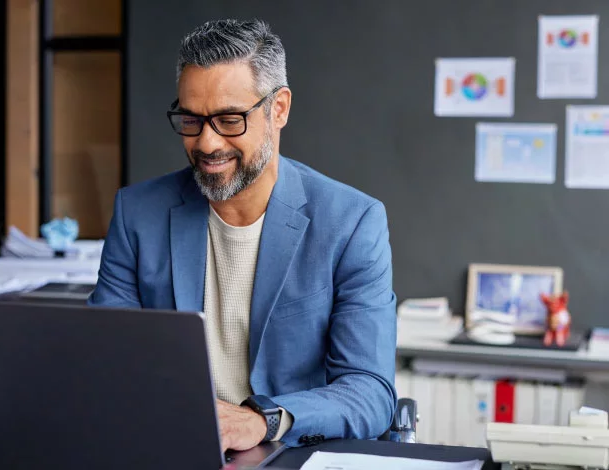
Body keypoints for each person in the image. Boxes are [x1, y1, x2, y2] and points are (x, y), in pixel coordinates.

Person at [89, 18, 397, 451]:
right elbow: (105, 359)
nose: (207, 144)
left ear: (279, 109)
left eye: (230, 119)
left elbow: (370, 391)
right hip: (166, 449)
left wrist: (263, 421)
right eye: (191, 120)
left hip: (288, 454)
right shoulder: (137, 214)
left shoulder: (351, 222)